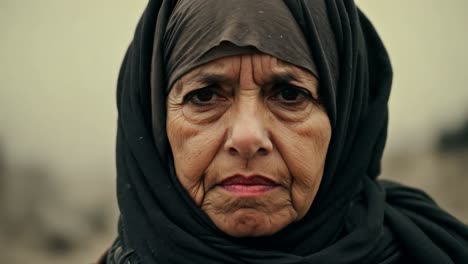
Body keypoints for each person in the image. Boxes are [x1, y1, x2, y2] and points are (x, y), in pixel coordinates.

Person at [99, 0, 468, 263]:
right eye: (205, 95)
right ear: (152, 123)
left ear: (344, 123)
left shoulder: (435, 250)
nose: (247, 138)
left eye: (290, 95)